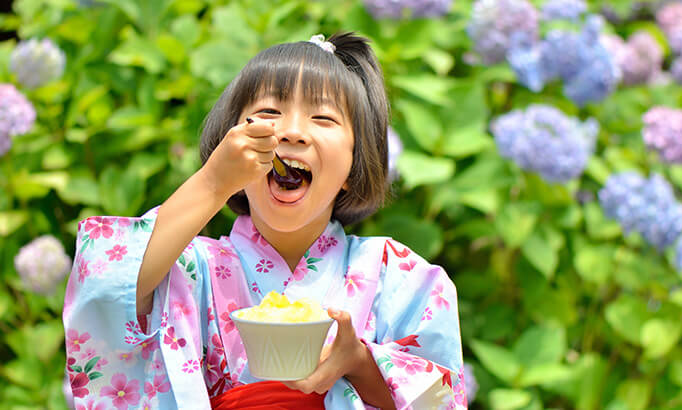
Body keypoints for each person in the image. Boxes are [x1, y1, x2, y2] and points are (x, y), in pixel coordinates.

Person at [62, 32, 466, 410]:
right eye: (268, 113)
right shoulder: (191, 268)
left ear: (353, 166)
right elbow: (102, 289)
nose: (290, 132)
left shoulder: (398, 275)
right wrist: (212, 183)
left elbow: (440, 400)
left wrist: (358, 362)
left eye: (322, 119)